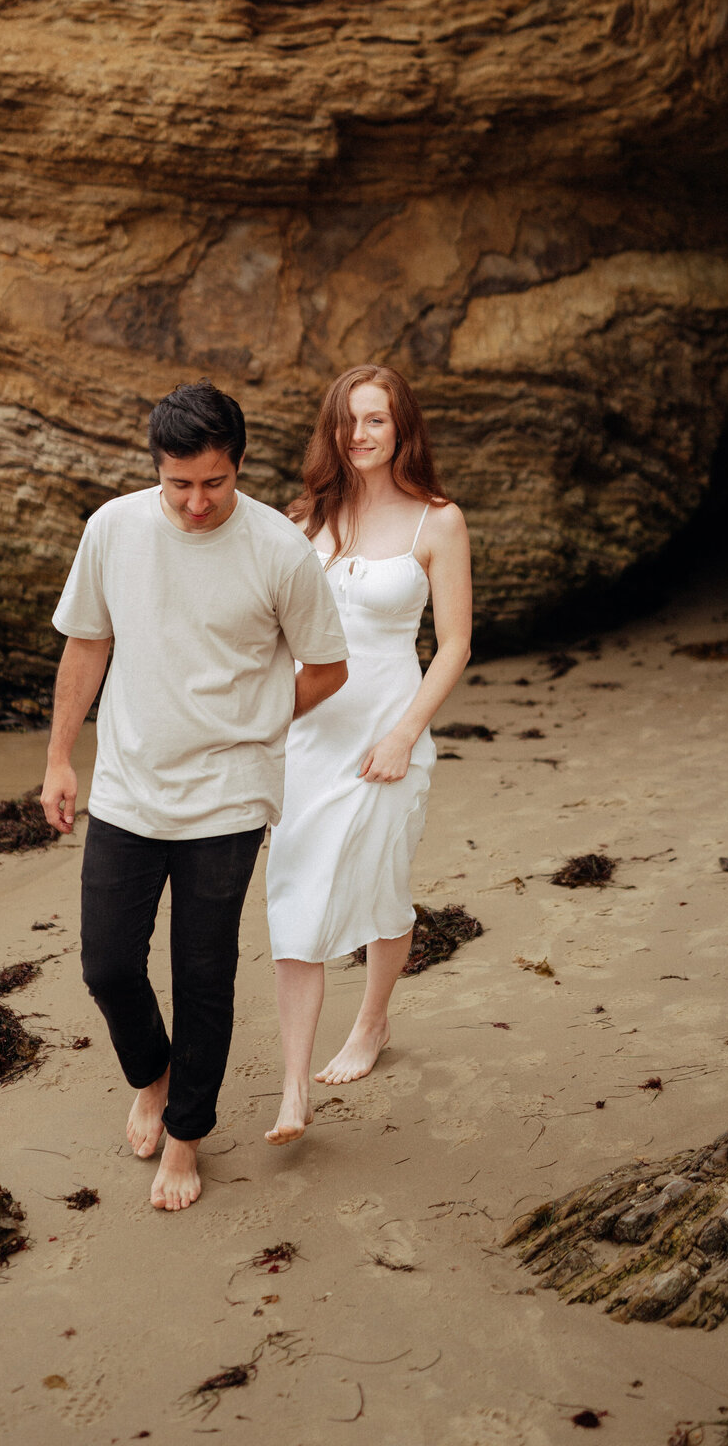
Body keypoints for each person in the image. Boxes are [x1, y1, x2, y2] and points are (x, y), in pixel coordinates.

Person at [40, 379, 348, 1210]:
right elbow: (87, 646)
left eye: (215, 482)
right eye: (179, 484)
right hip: (129, 787)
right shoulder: (113, 529)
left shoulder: (279, 549)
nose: (197, 502)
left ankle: (186, 1138)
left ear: (239, 464)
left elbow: (328, 667)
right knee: (108, 965)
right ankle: (154, 1075)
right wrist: (60, 758)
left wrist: (257, 721)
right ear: (157, 468)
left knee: (203, 975)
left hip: (229, 795)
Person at [264, 364, 472, 1145]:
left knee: (381, 887)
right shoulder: (304, 519)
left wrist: (403, 735)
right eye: (348, 420)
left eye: (376, 419)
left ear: (401, 426)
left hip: (390, 730)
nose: (360, 434)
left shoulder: (437, 522)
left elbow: (455, 645)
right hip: (307, 738)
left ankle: (373, 1020)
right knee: (295, 895)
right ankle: (293, 1090)